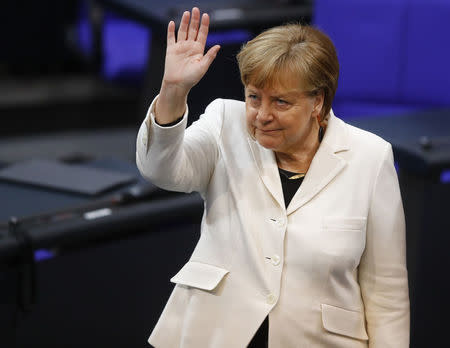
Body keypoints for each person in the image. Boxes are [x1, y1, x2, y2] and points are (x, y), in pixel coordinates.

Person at [136, 7, 410, 348]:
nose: (263, 115)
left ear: (318, 102)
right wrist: (173, 90)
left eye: (281, 102)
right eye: (254, 97)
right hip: (212, 335)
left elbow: (387, 296)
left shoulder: (370, 157)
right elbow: (161, 170)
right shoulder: (225, 124)